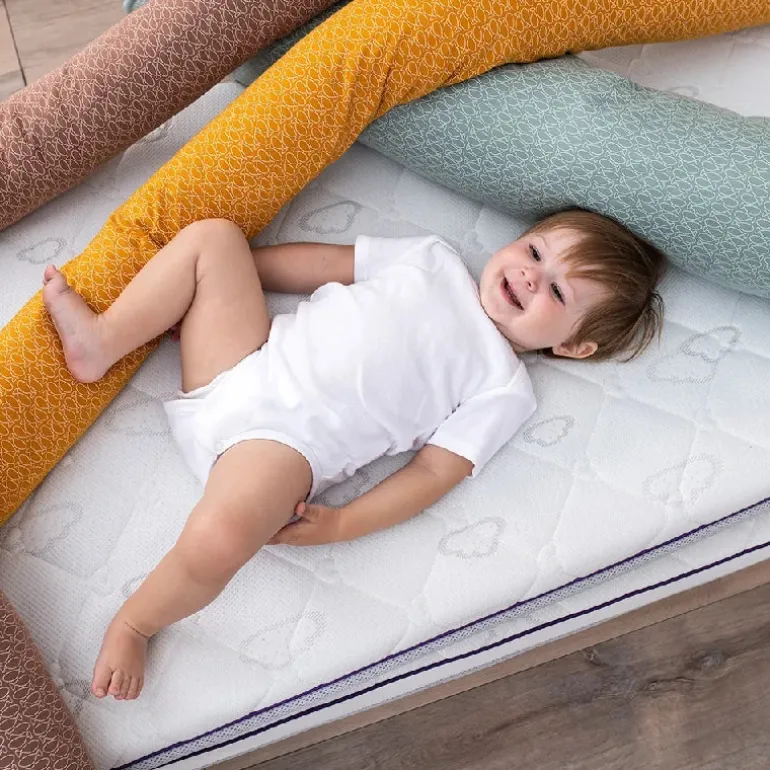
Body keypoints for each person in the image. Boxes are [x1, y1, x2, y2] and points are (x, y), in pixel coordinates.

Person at [40, 208, 666, 701]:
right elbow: (320, 263)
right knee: (214, 239)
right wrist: (222, 282)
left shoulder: (503, 387)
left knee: (221, 536)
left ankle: (136, 622)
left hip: (280, 449)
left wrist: (343, 523)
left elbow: (431, 473)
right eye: (534, 252)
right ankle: (103, 340)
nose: (531, 276)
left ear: (573, 347)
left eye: (557, 291)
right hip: (242, 360)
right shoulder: (431, 258)